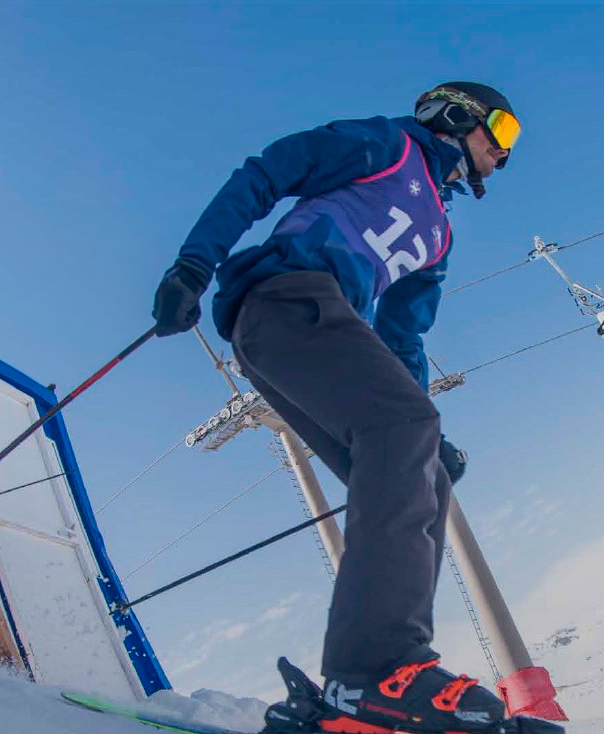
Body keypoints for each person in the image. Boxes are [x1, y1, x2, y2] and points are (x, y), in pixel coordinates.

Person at [151, 82, 521, 733]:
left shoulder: (438, 233)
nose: (505, 153)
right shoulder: (387, 144)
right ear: (456, 112)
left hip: (323, 327)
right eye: (504, 132)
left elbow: (402, 338)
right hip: (286, 297)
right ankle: (374, 668)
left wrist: (427, 435)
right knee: (405, 431)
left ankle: (360, 698)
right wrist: (193, 264)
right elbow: (268, 173)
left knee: (426, 474)